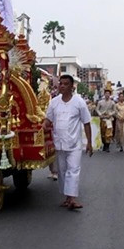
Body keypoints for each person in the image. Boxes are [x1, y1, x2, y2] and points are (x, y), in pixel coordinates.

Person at [44, 74, 93, 210]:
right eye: (61, 83)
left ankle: (72, 199)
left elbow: (87, 123)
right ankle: (67, 197)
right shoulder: (54, 102)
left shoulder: (79, 102)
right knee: (62, 171)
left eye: (66, 84)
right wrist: (42, 126)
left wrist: (89, 142)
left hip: (74, 144)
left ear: (72, 87)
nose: (62, 86)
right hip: (59, 143)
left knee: (73, 169)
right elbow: (48, 119)